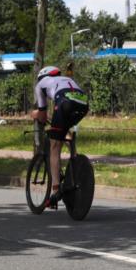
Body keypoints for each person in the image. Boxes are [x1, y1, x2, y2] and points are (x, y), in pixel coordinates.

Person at [30, 65, 89, 206]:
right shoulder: (66, 79)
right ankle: (75, 162)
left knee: (54, 146)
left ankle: (55, 190)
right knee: (65, 132)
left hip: (64, 102)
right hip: (83, 104)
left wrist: (35, 114)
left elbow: (42, 115)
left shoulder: (40, 84)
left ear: (42, 76)